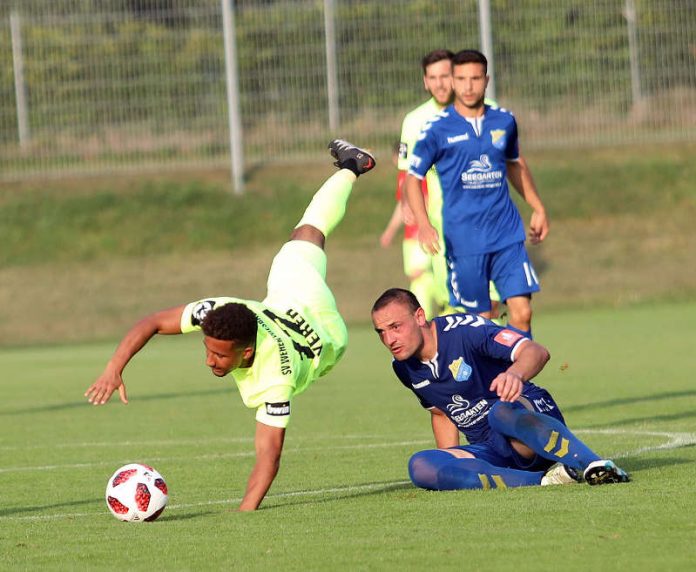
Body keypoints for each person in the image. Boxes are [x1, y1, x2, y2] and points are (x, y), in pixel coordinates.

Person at [84, 139, 376, 511]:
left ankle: (352, 168)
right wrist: (114, 367)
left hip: (324, 332)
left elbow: (268, 458)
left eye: (220, 356)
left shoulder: (275, 380)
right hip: (284, 302)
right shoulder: (224, 311)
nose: (210, 361)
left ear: (247, 352)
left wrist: (245, 513)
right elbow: (154, 321)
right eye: (208, 350)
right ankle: (353, 166)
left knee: (308, 247)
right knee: (306, 234)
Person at [370, 288, 630, 490]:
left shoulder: (465, 332)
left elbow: (536, 351)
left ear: (419, 316)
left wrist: (515, 374)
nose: (389, 340)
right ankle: (544, 481)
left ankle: (592, 464)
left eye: (395, 327)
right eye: (381, 332)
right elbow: (440, 413)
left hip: (524, 421)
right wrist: (453, 463)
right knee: (421, 466)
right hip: (492, 449)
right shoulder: (403, 367)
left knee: (499, 413)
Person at [405, 49, 548, 337]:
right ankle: (487, 379)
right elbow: (412, 178)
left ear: (486, 80)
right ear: (454, 82)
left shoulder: (504, 121)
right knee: (481, 322)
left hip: (506, 234)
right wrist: (423, 223)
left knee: (523, 313)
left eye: (475, 78)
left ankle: (514, 378)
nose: (468, 86)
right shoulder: (435, 129)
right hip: (464, 240)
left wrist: (538, 207)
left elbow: (514, 165)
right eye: (461, 79)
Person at [398, 49, 502, 321]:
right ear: (425, 81)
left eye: (445, 76)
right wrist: (411, 208)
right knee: (454, 305)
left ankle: (496, 358)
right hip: (443, 227)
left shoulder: (487, 111)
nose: (440, 83)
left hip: (486, 224)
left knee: (490, 304)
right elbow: (408, 174)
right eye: (433, 77)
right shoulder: (415, 121)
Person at [380, 141, 438, 319]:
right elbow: (402, 205)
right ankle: (430, 315)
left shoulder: (418, 173)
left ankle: (426, 319)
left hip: (421, 234)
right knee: (416, 278)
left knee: (421, 276)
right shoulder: (403, 176)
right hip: (410, 237)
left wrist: (423, 225)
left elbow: (429, 199)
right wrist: (390, 231)